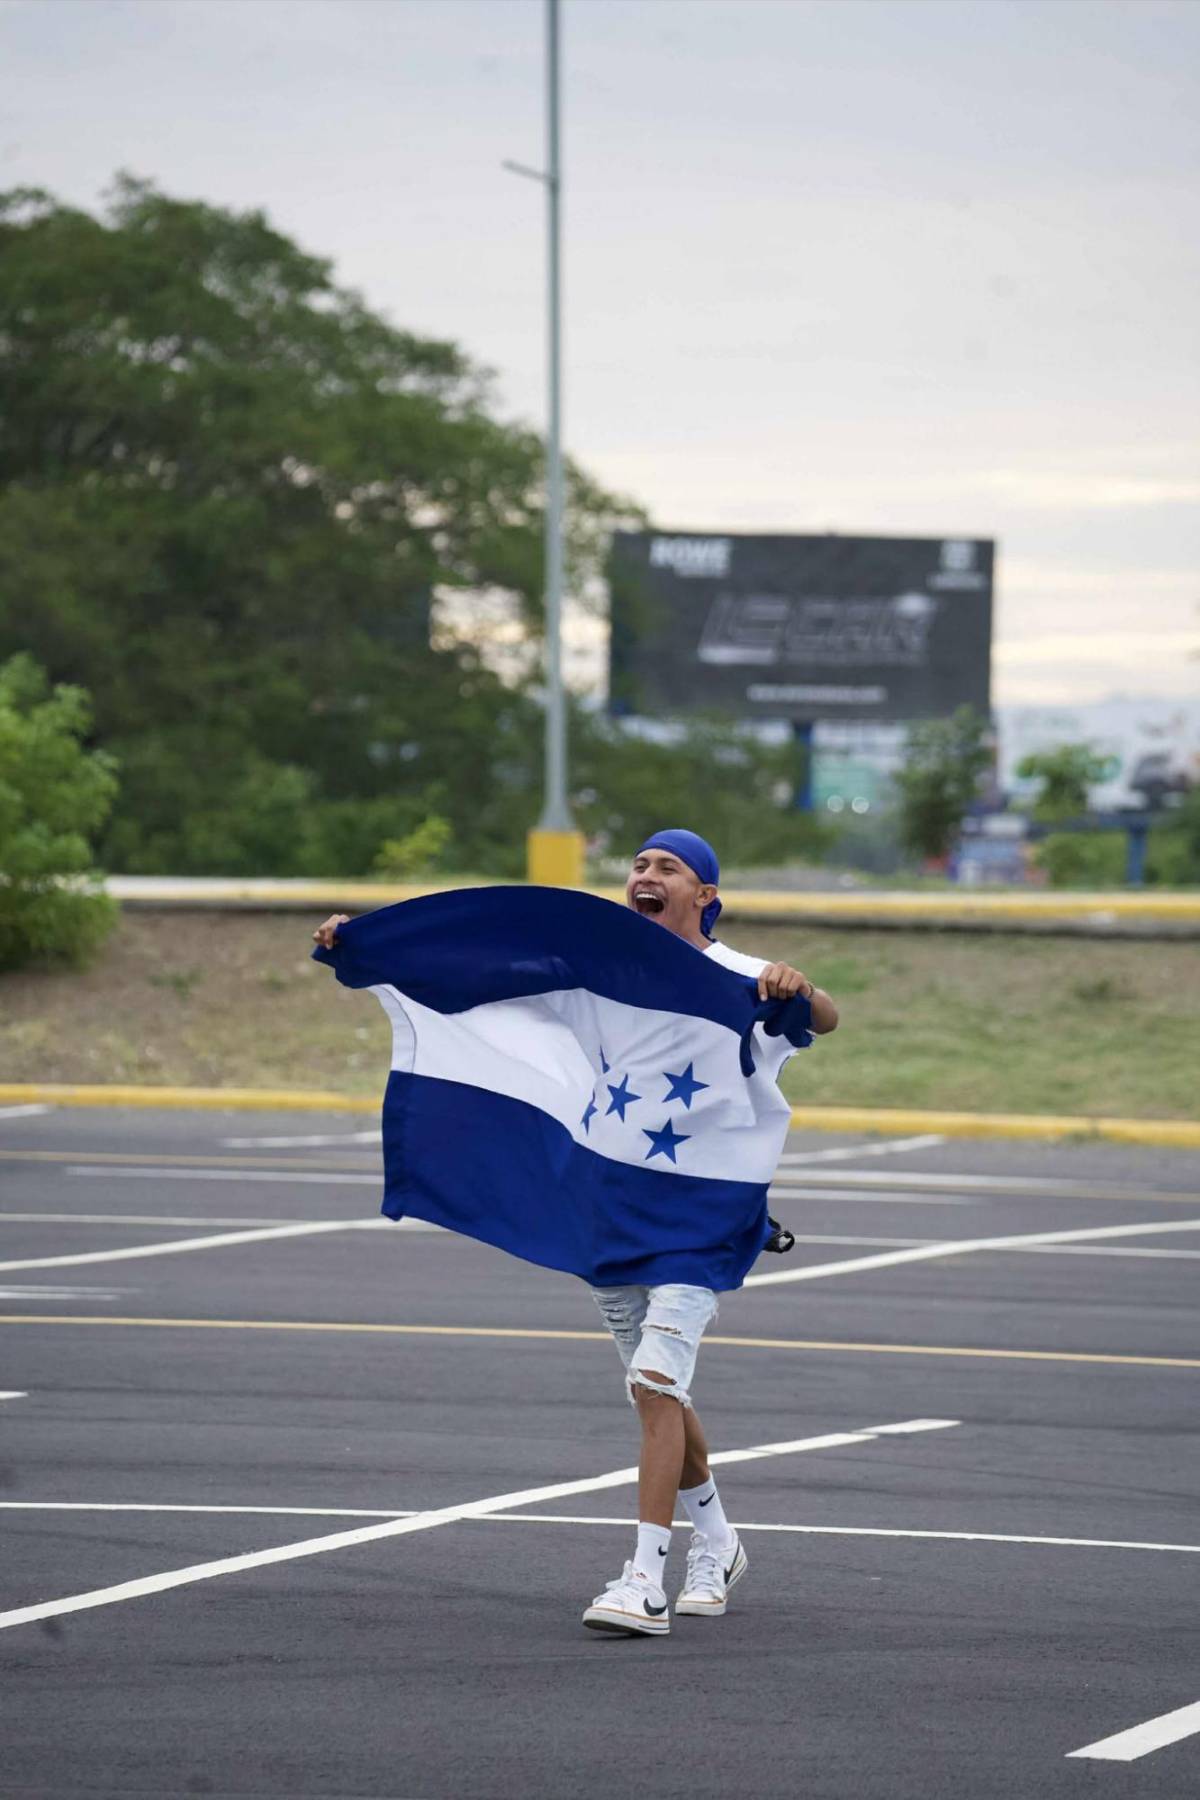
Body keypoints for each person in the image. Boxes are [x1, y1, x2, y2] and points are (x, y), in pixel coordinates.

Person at [313, 827, 838, 1641]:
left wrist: (797, 983)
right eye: (639, 864)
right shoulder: (590, 974)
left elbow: (823, 1019)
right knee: (655, 1387)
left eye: (669, 867)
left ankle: (643, 1580)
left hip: (704, 1216)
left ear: (705, 895)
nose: (647, 875)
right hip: (612, 1205)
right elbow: (476, 973)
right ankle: (721, 1544)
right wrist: (370, 945)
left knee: (656, 1384)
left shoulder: (741, 978)